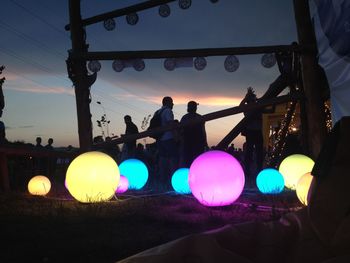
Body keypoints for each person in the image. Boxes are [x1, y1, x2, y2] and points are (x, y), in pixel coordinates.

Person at [240, 87, 274, 182]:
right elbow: (240, 106)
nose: (254, 101)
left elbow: (271, 111)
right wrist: (246, 98)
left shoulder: (258, 108)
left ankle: (256, 169)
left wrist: (273, 102)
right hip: (252, 132)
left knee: (257, 152)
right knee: (250, 152)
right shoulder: (249, 108)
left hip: (256, 132)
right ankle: (249, 170)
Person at [157, 96, 178, 190]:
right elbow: (170, 124)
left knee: (162, 162)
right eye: (172, 102)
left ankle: (162, 183)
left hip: (160, 140)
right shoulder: (168, 111)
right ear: (168, 103)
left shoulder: (157, 112)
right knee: (172, 160)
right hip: (168, 139)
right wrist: (177, 136)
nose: (173, 104)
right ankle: (172, 183)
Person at [180, 101, 208, 167]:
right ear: (195, 108)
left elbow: (181, 131)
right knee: (198, 161)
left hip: (187, 143)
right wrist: (205, 143)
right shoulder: (200, 117)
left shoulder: (184, 118)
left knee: (188, 162)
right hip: (198, 143)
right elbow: (203, 130)